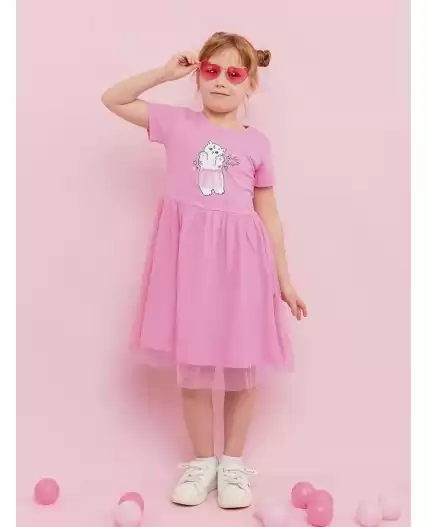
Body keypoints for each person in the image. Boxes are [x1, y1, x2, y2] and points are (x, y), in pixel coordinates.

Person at [102, 31, 307, 510]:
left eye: (234, 74)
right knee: (193, 365)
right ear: (198, 75)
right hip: (190, 263)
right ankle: (202, 462)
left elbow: (269, 214)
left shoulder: (257, 143)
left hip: (244, 264)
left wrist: (284, 278)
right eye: (211, 71)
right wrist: (164, 72)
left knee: (240, 363)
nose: (221, 81)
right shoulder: (178, 124)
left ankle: (232, 463)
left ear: (250, 84)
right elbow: (113, 99)